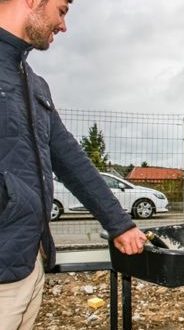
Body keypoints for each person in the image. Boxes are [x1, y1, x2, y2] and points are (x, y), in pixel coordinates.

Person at [0, 1, 146, 328]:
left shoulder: (34, 85)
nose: (63, 26)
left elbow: (71, 160)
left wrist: (119, 224)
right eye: (62, 10)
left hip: (28, 263)